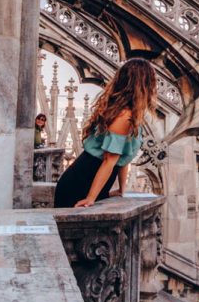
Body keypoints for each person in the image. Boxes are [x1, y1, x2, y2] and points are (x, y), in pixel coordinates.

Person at [54, 57, 156, 208]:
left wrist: (122, 189)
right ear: (143, 85)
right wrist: (90, 198)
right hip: (82, 183)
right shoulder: (125, 116)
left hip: (94, 183)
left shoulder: (130, 114)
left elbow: (123, 159)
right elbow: (109, 160)